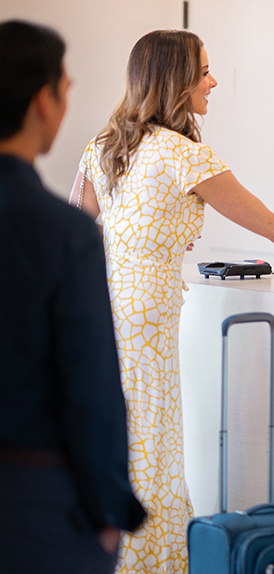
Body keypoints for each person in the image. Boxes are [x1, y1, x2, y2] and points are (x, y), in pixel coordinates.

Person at [68, 29, 274, 574]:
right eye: (204, 71)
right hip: (148, 317)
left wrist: (140, 238)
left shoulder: (105, 146)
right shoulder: (186, 155)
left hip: (104, 308)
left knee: (122, 440)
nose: (213, 81)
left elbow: (74, 231)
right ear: (175, 80)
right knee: (152, 448)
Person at [0, 19, 146, 574]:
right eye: (66, 88)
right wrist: (110, 508)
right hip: (33, 498)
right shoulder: (61, 232)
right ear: (44, 101)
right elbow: (91, 389)